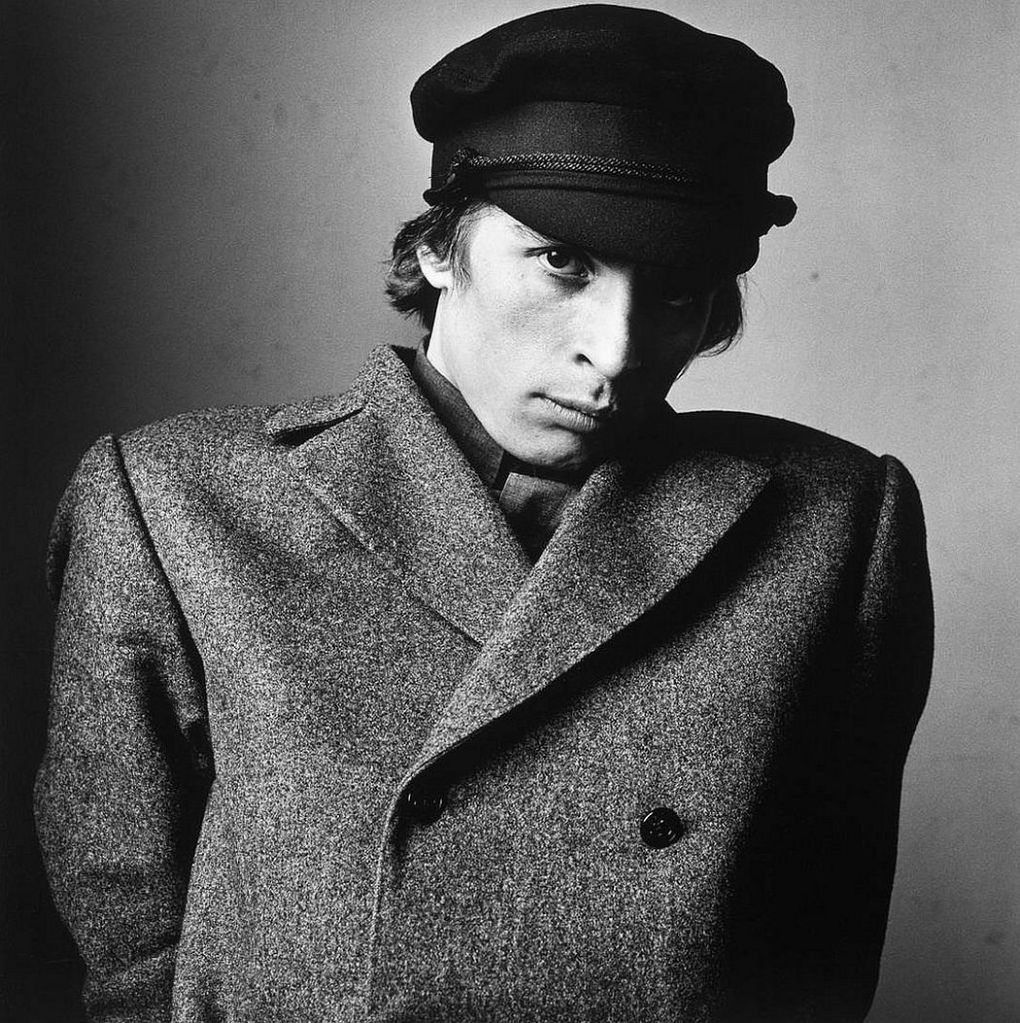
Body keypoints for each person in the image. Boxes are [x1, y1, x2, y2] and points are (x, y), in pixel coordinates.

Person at [34, 6, 933, 1022]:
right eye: (562, 262)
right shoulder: (175, 500)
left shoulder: (834, 523)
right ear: (438, 249)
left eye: (679, 292)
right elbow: (129, 936)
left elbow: (819, 947)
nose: (616, 349)